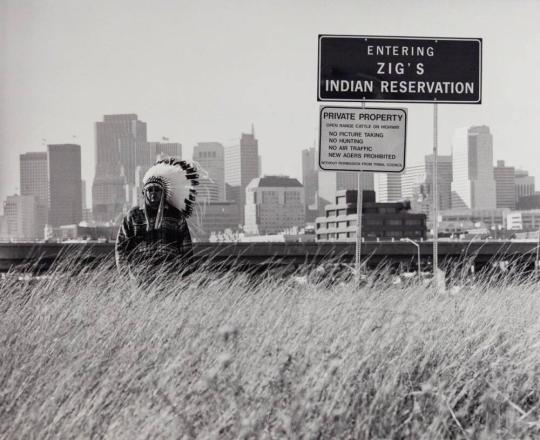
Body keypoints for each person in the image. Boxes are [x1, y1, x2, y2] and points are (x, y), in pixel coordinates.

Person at [115, 157, 199, 285]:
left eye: (157, 190)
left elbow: (186, 249)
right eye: (150, 190)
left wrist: (185, 277)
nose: (153, 193)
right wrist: (125, 276)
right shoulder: (133, 215)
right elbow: (121, 247)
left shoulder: (176, 216)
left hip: (170, 277)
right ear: (144, 193)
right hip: (140, 278)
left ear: (163, 192)